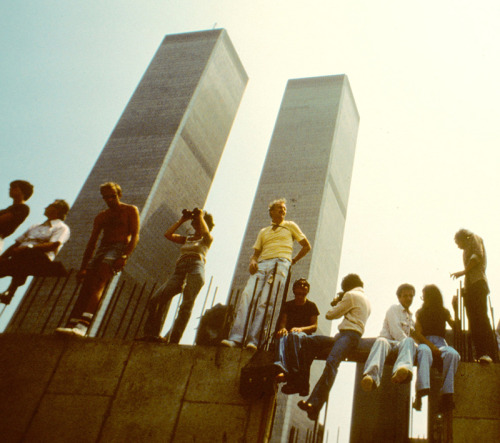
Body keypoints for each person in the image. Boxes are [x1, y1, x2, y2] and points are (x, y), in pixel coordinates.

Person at [222, 198, 311, 349]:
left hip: (280, 264)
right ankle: (235, 338)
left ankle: (254, 340)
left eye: (284, 208)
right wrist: (252, 261)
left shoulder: (290, 226)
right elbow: (256, 253)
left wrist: (292, 261)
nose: (283, 210)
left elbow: (306, 246)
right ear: (271, 211)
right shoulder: (263, 231)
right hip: (262, 265)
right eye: (279, 208)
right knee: (246, 296)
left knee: (265, 301)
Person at [56, 183, 139, 337]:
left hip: (118, 247)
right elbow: (92, 241)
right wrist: (83, 267)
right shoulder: (102, 216)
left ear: (119, 194)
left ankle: (83, 325)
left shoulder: (130, 210)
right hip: (102, 248)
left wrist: (125, 256)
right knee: (86, 285)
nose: (110, 199)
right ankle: (72, 323)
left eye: (112, 195)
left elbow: (135, 235)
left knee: (99, 282)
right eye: (106, 197)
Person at [297, 273, 370, 421]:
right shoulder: (366, 299)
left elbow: (330, 315)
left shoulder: (350, 295)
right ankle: (306, 391)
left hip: (347, 336)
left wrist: (338, 301)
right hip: (346, 337)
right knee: (310, 341)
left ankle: (314, 402)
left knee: (331, 363)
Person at [141, 208, 214, 343]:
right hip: (179, 269)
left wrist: (201, 216)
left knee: (186, 305)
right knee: (156, 299)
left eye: (197, 223)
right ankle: (152, 334)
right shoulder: (187, 239)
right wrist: (182, 220)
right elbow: (168, 234)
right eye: (194, 223)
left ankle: (174, 338)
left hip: (196, 267)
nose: (195, 225)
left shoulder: (206, 239)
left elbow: (206, 234)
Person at [0, 199, 70, 304]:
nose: (45, 207)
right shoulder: (35, 226)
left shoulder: (61, 227)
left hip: (40, 256)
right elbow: (17, 243)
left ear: (57, 209)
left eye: (49, 205)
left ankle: (11, 291)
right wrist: (2, 257)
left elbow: (54, 244)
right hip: (20, 255)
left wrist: (29, 247)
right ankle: (9, 290)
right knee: (7, 264)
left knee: (27, 254)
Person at [451, 229, 497, 364]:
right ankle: (481, 352)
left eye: (458, 242)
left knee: (481, 318)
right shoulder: (465, 250)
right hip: (471, 287)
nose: (458, 246)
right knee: (473, 321)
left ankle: (488, 352)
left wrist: (463, 271)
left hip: (478, 284)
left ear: (463, 238)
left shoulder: (474, 238)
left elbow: (477, 256)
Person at [361, 283, 417, 392]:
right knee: (381, 341)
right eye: (405, 296)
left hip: (400, 347)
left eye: (411, 296)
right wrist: (411, 346)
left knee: (409, 340)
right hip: (388, 342)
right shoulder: (393, 309)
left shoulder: (411, 318)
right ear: (399, 297)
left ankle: (401, 370)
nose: (409, 298)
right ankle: (370, 377)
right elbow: (396, 331)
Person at [412, 285, 460, 412]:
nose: (423, 299)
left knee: (453, 354)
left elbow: (455, 327)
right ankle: (422, 390)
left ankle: (447, 394)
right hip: (425, 341)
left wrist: (455, 309)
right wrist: (431, 346)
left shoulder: (444, 311)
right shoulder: (420, 313)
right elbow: (418, 333)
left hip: (441, 343)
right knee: (424, 351)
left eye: (424, 296)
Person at [274, 278, 319, 395]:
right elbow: (283, 322)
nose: (300, 296)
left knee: (294, 335)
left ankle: (294, 372)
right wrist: (282, 328)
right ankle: (281, 365)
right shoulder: (288, 305)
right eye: (298, 293)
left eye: (303, 293)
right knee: (281, 336)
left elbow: (314, 326)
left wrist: (300, 329)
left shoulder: (311, 306)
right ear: (294, 291)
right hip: (289, 333)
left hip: (303, 335)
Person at [0, 180, 34, 252]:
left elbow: (3, 219)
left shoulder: (23, 208)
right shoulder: (6, 209)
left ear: (23, 191)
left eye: (14, 187)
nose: (10, 189)